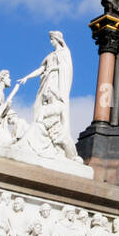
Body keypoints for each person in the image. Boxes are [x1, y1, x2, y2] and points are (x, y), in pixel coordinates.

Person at [18, 31, 78, 161]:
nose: (51, 41)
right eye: (50, 39)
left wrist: (53, 69)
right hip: (46, 81)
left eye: (52, 39)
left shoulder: (64, 53)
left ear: (57, 39)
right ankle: (39, 137)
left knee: (53, 104)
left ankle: (54, 144)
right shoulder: (50, 55)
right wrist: (27, 77)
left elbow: (66, 69)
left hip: (56, 82)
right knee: (38, 106)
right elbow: (41, 69)